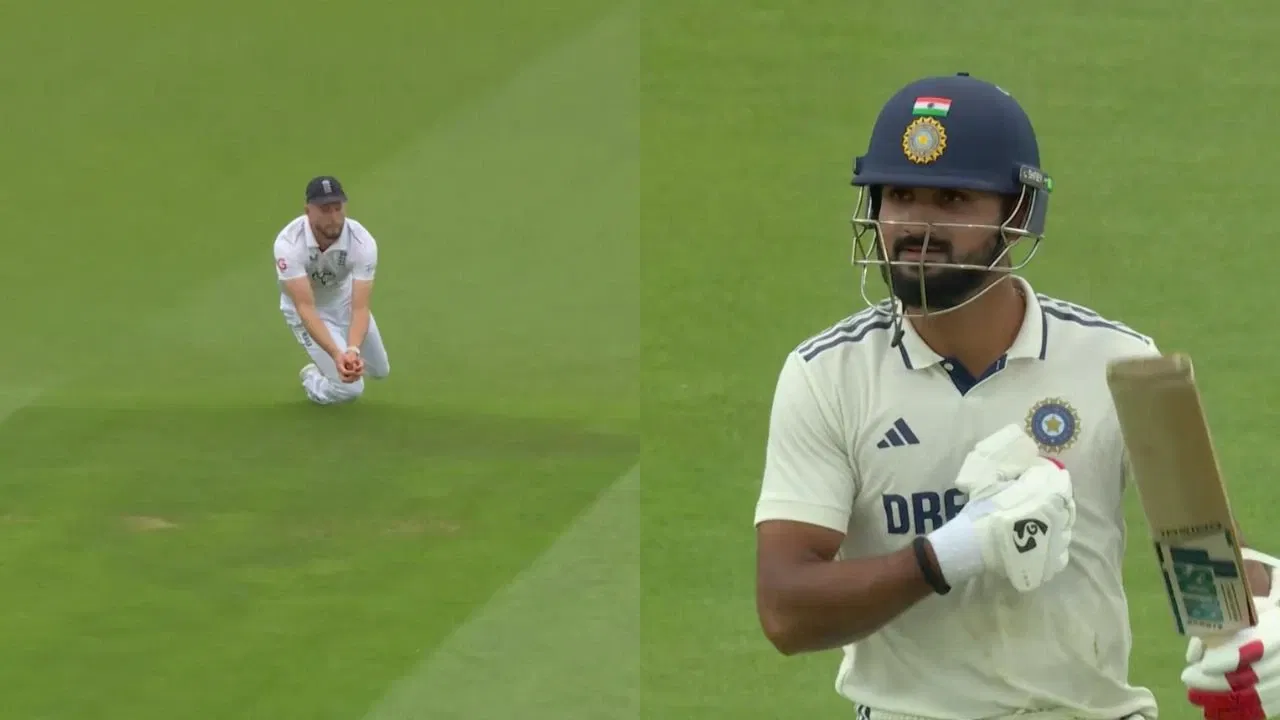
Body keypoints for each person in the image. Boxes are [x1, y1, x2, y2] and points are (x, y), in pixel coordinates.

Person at [751, 72, 1280, 720]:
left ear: (1019, 213)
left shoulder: (1123, 364)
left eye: (952, 200)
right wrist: (950, 553)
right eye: (899, 195)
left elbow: (1207, 561)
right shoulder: (827, 375)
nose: (917, 225)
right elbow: (786, 612)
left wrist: (1265, 615)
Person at [273, 175, 390, 405]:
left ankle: (331, 362)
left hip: (345, 304)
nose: (334, 218)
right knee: (350, 390)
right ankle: (312, 380)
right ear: (308, 211)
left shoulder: (362, 242)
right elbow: (305, 307)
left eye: (338, 208)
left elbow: (360, 306)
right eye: (325, 210)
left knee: (379, 371)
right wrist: (337, 355)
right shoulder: (288, 244)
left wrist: (352, 350)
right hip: (307, 312)